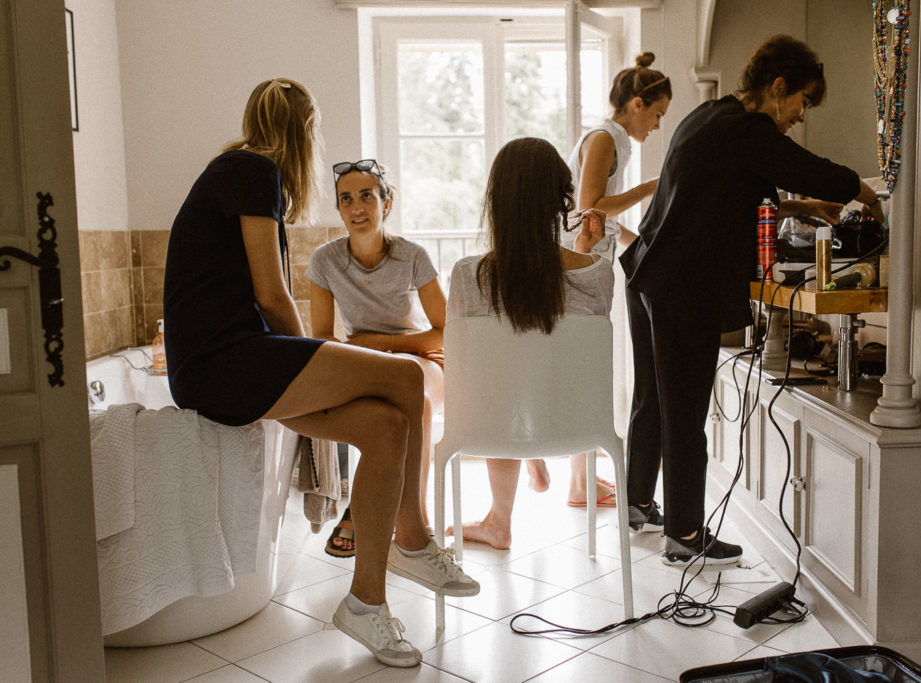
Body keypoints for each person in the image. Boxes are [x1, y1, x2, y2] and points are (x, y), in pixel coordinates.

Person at [162, 78, 478, 669]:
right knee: (406, 380)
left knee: (385, 427)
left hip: (226, 363)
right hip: (224, 361)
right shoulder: (254, 170)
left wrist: (315, 359)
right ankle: (412, 537)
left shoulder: (238, 171)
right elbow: (271, 294)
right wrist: (314, 355)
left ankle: (365, 602)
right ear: (304, 131)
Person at [618, 36, 886, 566]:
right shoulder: (747, 130)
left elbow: (729, 187)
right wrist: (864, 190)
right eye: (801, 102)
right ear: (778, 87)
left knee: (654, 394)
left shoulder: (710, 118)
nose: (799, 116)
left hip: (649, 272)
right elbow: (803, 164)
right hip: (681, 284)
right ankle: (686, 535)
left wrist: (801, 205)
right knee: (686, 406)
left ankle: (638, 502)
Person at [446, 136, 613, 550]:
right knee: (545, 363)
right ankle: (532, 452)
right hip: (574, 424)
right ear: (562, 203)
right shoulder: (598, 272)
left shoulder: (468, 274)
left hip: (497, 423)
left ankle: (499, 518)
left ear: (495, 202)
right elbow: (585, 361)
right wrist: (583, 252)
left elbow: (464, 369)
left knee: (493, 381)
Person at [307, 160, 445, 557]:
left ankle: (412, 520)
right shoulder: (325, 261)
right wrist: (365, 352)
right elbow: (320, 338)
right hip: (364, 358)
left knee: (411, 394)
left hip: (421, 356)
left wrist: (382, 344)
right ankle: (363, 503)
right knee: (375, 407)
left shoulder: (412, 256)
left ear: (386, 202)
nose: (356, 207)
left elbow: (444, 331)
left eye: (367, 195)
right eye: (345, 199)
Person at [558, 51, 672, 511]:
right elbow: (590, 206)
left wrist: (640, 241)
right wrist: (653, 187)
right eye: (658, 114)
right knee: (584, 369)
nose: (658, 127)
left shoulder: (616, 140)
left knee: (587, 368)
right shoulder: (607, 136)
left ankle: (581, 481)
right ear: (638, 103)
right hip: (576, 265)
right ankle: (578, 484)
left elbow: (603, 219)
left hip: (589, 259)